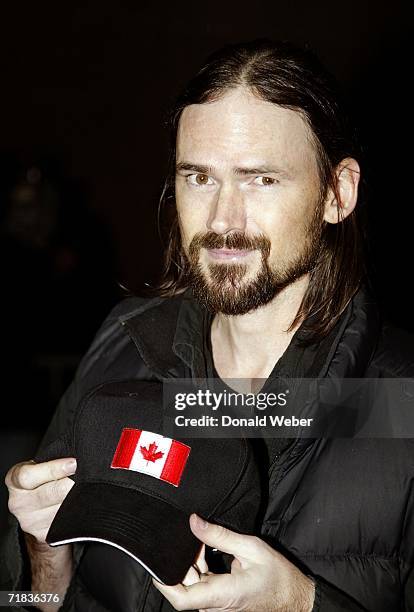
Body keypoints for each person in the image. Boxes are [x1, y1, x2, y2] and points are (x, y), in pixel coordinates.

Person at [3, 39, 414, 612]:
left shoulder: (399, 403)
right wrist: (42, 551)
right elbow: (31, 602)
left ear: (337, 193)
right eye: (199, 178)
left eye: (260, 179)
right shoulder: (124, 343)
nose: (223, 220)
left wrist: (303, 604)